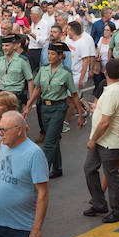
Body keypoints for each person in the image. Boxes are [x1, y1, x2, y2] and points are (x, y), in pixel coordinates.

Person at [23, 42, 82, 178]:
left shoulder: (66, 73)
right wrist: (28, 106)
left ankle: (40, 172)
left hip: (58, 108)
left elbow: (74, 95)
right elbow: (37, 89)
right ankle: (58, 168)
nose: (49, 56)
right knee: (53, 138)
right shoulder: (43, 69)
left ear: (60, 56)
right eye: (48, 53)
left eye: (53, 54)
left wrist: (80, 114)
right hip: (44, 108)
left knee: (49, 141)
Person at [83, 59, 119, 222]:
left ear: (106, 73)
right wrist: (97, 108)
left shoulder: (112, 92)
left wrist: (92, 139)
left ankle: (118, 211)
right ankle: (99, 203)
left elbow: (105, 122)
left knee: (111, 176)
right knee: (89, 168)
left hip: (109, 141)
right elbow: (111, 111)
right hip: (103, 139)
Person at [0, 34, 34, 110]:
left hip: (15, 96)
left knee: (14, 120)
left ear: (13, 46)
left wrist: (30, 100)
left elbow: (30, 80)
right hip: (2, 94)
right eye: (3, 46)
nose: (4, 48)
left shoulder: (22, 60)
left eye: (7, 46)